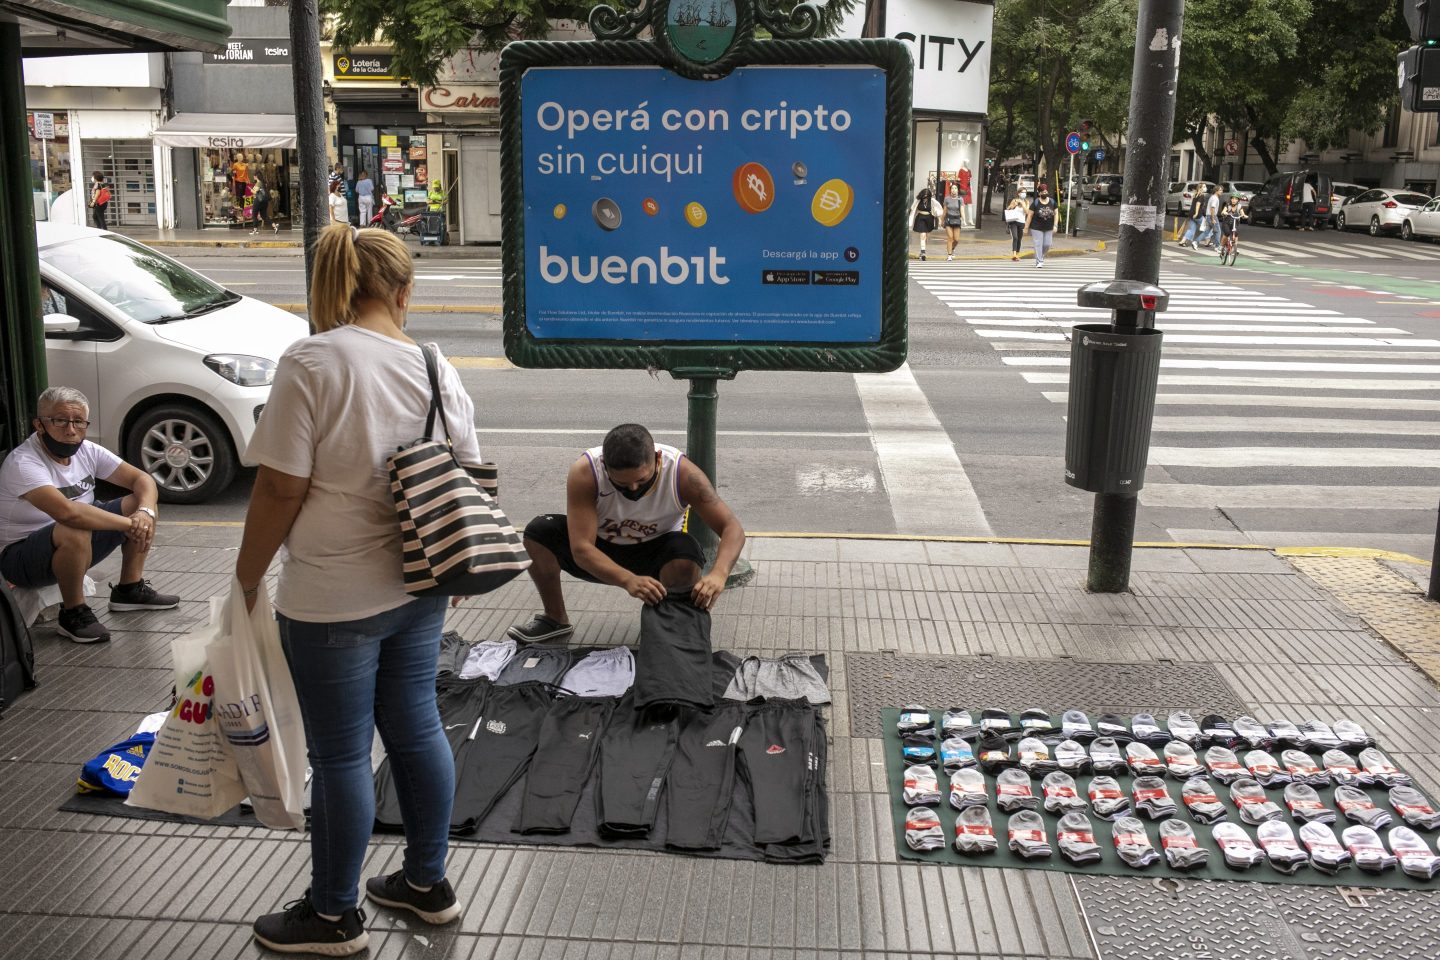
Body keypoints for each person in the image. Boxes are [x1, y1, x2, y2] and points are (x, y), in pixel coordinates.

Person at [238, 223, 481, 954]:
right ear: (402, 292)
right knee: (416, 728)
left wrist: (246, 577)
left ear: (337, 287)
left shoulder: (312, 360)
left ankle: (335, 914)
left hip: (330, 596)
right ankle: (425, 883)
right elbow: (466, 471)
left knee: (341, 756)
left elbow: (281, 487)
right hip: (420, 584)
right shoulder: (436, 364)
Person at [506, 424, 746, 644]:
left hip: (655, 551)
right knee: (538, 531)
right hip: (599, 550)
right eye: (621, 484)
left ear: (657, 459)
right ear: (604, 467)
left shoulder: (682, 473)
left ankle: (672, 630)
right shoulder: (585, 471)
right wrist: (627, 579)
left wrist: (719, 574)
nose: (633, 489)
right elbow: (581, 549)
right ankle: (555, 619)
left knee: (686, 550)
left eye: (642, 480)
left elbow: (731, 528)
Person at [0, 386, 178, 644]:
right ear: (39, 424)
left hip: (74, 541)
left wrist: (145, 513)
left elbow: (142, 479)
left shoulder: (87, 451)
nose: (71, 430)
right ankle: (73, 614)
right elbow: (68, 513)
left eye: (78, 422)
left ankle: (129, 589)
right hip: (20, 558)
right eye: (60, 421)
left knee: (139, 502)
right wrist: (132, 524)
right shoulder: (23, 463)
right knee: (74, 525)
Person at [1024, 181, 1058, 268]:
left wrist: (1055, 225)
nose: (1045, 193)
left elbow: (1056, 213)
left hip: (1049, 227)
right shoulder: (1035, 203)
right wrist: (1026, 227)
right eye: (1043, 192)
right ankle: (1039, 261)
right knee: (1038, 244)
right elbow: (1030, 215)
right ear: (1039, 193)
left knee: (1047, 244)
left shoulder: (1052, 202)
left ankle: (1041, 256)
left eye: (1046, 192)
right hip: (1036, 227)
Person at [907, 188, 942, 261]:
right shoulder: (918, 200)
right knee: (922, 235)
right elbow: (912, 208)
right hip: (920, 218)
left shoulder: (932, 201)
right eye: (924, 196)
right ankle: (923, 252)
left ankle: (923, 249)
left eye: (927, 196)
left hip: (929, 218)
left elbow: (936, 209)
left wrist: (939, 219)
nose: (925, 198)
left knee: (925, 236)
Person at [1217, 194, 1248, 259]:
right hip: (1226, 222)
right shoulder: (1227, 205)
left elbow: (1242, 213)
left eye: (1236, 199)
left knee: (1236, 233)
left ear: (1238, 200)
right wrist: (1224, 212)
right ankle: (1221, 246)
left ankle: (1235, 248)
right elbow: (1223, 211)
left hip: (1235, 222)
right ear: (1231, 199)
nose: (1234, 200)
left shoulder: (1239, 206)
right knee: (1227, 233)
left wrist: (1244, 216)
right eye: (1233, 199)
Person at [1195, 184, 1223, 248]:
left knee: (1206, 232)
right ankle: (1218, 246)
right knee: (1218, 231)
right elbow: (1212, 208)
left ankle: (1196, 242)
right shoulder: (1215, 198)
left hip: (1208, 216)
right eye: (1220, 190)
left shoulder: (1212, 197)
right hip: (1212, 216)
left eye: (1222, 190)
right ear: (1216, 191)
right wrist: (1213, 219)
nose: (1222, 192)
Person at [1003, 191, 1028, 262]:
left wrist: (1023, 204)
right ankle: (1014, 254)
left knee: (1019, 239)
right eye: (1022, 192)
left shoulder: (1026, 201)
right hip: (1013, 221)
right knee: (1015, 237)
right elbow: (1008, 209)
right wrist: (1013, 205)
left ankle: (1017, 255)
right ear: (1019, 194)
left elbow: (1027, 212)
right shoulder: (1014, 200)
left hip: (1022, 222)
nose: (1024, 194)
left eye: (1025, 192)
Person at [942, 183, 964, 260]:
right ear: (950, 190)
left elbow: (962, 210)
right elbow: (944, 210)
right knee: (950, 237)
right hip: (948, 219)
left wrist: (964, 219)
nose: (954, 190)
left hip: (957, 219)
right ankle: (949, 255)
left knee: (956, 239)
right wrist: (942, 220)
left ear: (958, 190)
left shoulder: (960, 199)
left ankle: (952, 248)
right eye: (952, 188)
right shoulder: (947, 199)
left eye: (955, 188)